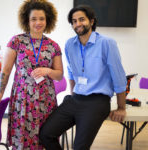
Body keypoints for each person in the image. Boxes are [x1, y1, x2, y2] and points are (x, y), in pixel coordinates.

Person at [39, 5, 127, 150]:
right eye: (74, 21)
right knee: (46, 134)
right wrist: (73, 95)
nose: (78, 24)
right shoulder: (70, 44)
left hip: (97, 101)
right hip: (76, 99)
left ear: (91, 21)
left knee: (79, 147)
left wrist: (121, 107)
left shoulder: (106, 43)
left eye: (82, 19)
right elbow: (71, 72)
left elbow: (118, 76)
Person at [0, 0, 63, 150]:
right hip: (22, 99)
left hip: (46, 100)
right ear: (27, 20)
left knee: (44, 138)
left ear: (47, 20)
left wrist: (48, 71)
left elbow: (59, 75)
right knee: (22, 139)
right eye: (34, 19)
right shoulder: (16, 41)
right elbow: (6, 70)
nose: (38, 22)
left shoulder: (53, 46)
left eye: (41, 18)